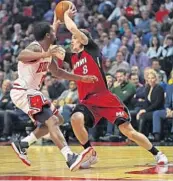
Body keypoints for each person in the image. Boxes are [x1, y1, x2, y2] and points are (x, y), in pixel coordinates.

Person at [61, 6, 168, 168]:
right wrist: (55, 24)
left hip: (104, 97)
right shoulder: (72, 58)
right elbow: (54, 51)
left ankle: (157, 153)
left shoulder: (92, 49)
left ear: (83, 39)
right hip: (87, 101)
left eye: (74, 39)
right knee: (75, 118)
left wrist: (65, 15)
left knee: (128, 131)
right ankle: (90, 153)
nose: (72, 41)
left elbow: (73, 29)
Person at [10, 17, 97, 171]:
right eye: (52, 31)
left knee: (58, 119)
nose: (56, 32)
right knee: (52, 121)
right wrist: (45, 54)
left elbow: (57, 72)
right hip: (23, 91)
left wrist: (81, 78)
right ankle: (69, 157)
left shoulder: (48, 49)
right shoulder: (36, 48)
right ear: (48, 36)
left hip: (31, 92)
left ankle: (22, 144)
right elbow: (21, 56)